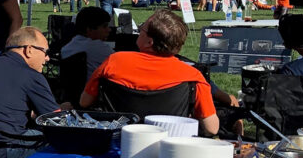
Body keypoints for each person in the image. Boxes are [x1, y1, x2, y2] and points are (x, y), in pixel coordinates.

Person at [80, 9, 220, 136]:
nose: (139, 31)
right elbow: (211, 128)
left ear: (149, 42)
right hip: (168, 144)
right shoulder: (192, 76)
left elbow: (84, 102)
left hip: (119, 140)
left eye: (142, 29)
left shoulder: (114, 62)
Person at [0, 27, 66, 158]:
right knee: (66, 141)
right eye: (45, 52)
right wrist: (62, 110)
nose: (47, 58)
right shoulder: (32, 76)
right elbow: (57, 122)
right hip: (2, 151)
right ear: (29, 50)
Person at [60, 6, 113, 81]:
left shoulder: (66, 49)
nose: (109, 30)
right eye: (104, 26)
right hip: (94, 90)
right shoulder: (99, 48)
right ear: (90, 29)